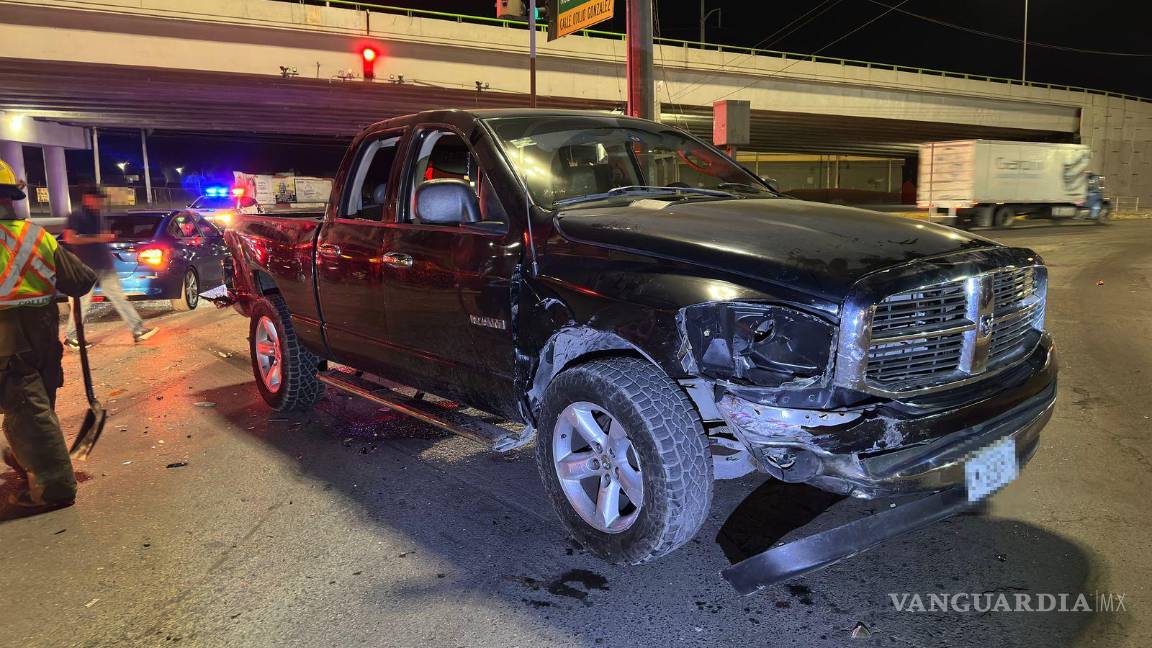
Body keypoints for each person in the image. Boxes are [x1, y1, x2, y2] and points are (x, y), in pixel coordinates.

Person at [0, 168, 98, 510]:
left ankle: (54, 486)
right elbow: (82, 280)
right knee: (32, 403)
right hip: (42, 334)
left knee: (28, 407)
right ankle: (25, 459)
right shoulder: (36, 236)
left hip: (8, 341)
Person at [62, 186, 157, 347]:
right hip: (87, 267)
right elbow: (70, 239)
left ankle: (137, 330)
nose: (100, 203)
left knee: (119, 298)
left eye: (101, 200)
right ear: (87, 198)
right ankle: (72, 336)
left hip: (104, 266)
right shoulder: (77, 216)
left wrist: (106, 239)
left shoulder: (98, 215)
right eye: (97, 199)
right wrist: (97, 238)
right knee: (83, 302)